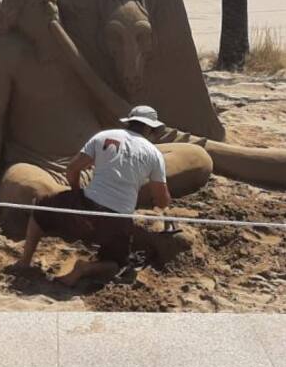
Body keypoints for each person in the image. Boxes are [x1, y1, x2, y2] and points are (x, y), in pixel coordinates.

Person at [17, 105, 171, 286]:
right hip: (118, 219)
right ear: (150, 128)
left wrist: (76, 195)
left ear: (129, 122)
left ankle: (24, 261)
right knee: (117, 264)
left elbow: (72, 169)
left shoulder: (104, 136)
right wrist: (165, 203)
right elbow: (161, 200)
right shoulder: (154, 154)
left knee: (40, 209)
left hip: (88, 206)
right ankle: (84, 268)